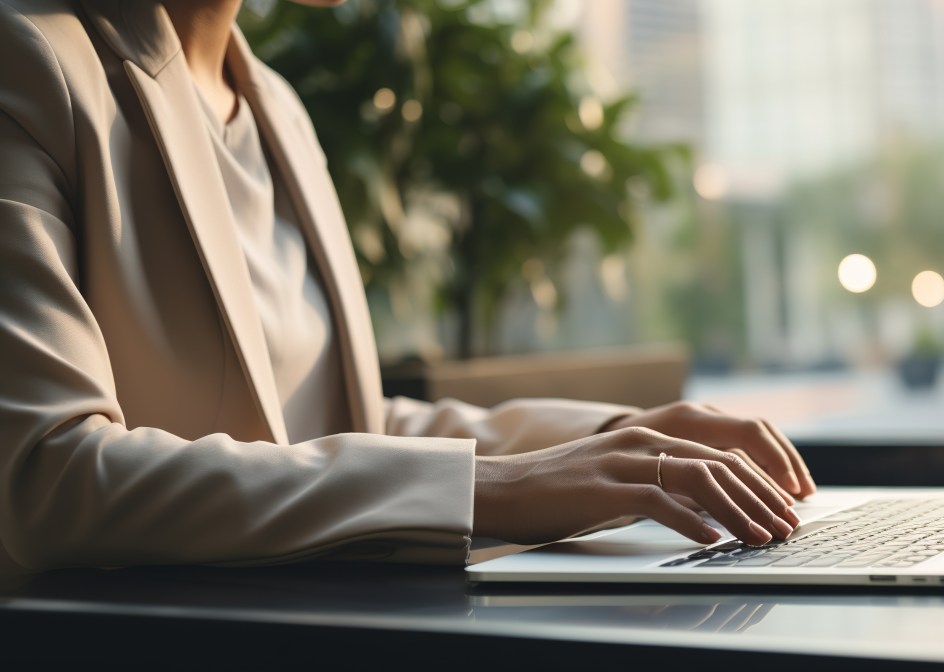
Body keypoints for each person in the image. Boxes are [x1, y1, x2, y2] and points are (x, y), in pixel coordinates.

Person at [0, 0, 815, 578]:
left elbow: (344, 424)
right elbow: (49, 479)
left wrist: (618, 442)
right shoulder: (31, 58)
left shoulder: (276, 104)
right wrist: (493, 488)